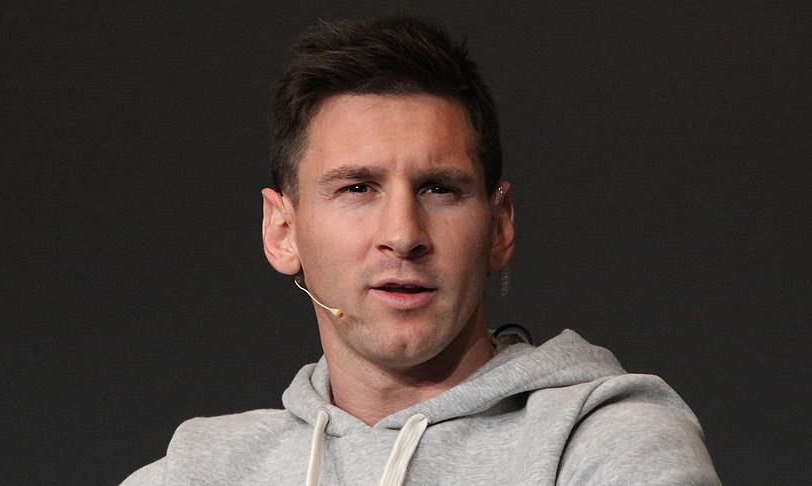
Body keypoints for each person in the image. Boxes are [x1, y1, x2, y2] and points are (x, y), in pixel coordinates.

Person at [122, 16, 720, 485]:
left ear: (499, 226)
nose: (404, 235)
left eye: (439, 189)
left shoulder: (610, 444)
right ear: (282, 231)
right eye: (358, 188)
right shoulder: (198, 472)